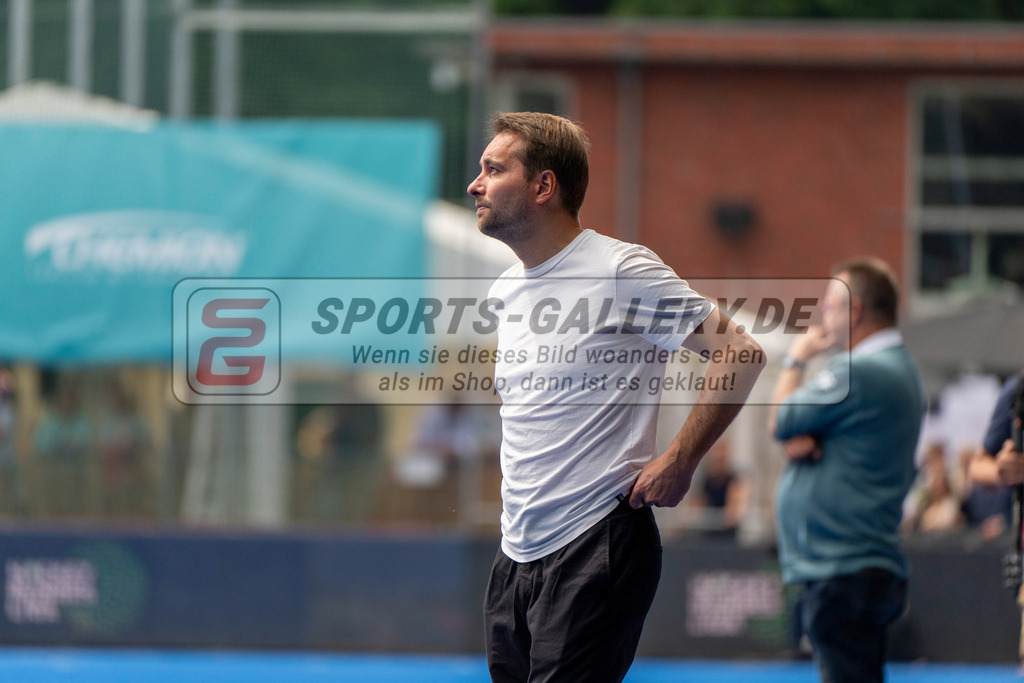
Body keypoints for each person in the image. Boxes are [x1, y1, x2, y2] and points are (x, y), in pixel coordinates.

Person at [468, 112, 765, 682]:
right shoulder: (506, 290)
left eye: (492, 169)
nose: (475, 184)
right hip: (517, 551)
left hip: (595, 541)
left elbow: (741, 352)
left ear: (543, 186)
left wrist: (682, 459)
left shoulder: (618, 270)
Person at [770, 257, 926, 683]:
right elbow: (790, 432)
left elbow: (780, 417)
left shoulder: (862, 370)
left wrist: (796, 359)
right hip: (856, 565)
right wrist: (797, 433)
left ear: (854, 310)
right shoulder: (891, 370)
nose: (823, 315)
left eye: (829, 305)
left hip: (845, 569)